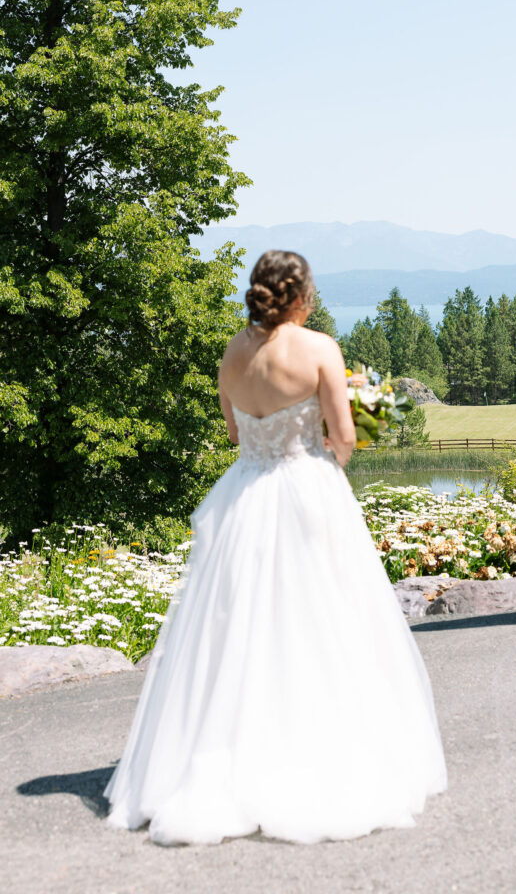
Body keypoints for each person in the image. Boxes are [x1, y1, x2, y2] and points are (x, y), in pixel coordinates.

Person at [105, 250, 447, 845]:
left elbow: (238, 434)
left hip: (244, 496)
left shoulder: (233, 355)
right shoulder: (319, 350)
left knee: (235, 629)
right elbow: (342, 438)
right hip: (306, 492)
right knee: (321, 620)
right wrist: (363, 415)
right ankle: (318, 753)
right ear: (302, 295)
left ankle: (227, 752)